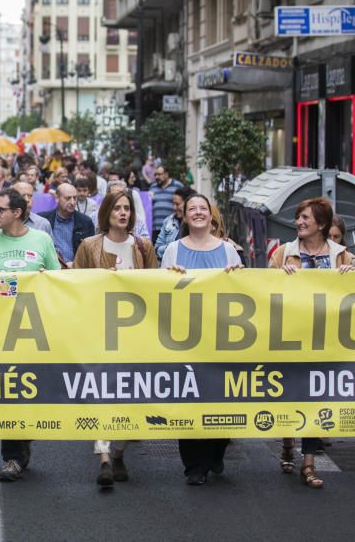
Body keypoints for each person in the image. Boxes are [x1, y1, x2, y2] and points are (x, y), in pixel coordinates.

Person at [0, 188, 61, 482]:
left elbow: (57, 280)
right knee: (9, 393)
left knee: (30, 393)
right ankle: (12, 457)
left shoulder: (42, 240)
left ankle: (23, 440)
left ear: (17, 213)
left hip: (36, 332)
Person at [269, 198, 355, 489]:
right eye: (298, 217)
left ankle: (308, 463)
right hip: (289, 338)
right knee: (290, 394)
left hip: (326, 341)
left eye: (305, 218)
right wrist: (278, 278)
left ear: (321, 223)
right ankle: (286, 443)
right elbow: (259, 289)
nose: (299, 222)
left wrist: (351, 277)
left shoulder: (343, 256)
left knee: (316, 398)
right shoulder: (283, 254)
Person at [72, 190, 157, 487]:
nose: (123, 213)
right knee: (100, 395)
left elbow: (157, 287)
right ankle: (105, 457)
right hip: (99, 332)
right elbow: (75, 285)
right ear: (106, 212)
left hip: (135, 335)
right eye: (117, 208)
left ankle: (120, 452)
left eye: (127, 208)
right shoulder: (89, 246)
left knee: (131, 395)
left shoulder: (143, 246)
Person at [162, 194, 244, 485]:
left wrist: (237, 275)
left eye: (202, 208)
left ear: (212, 216)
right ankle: (194, 465)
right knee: (190, 399)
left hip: (221, 337)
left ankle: (216, 450)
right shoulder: (172, 249)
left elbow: (244, 291)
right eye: (191, 209)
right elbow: (161, 290)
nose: (197, 213)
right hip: (186, 338)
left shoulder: (228, 250)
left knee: (220, 397)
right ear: (184, 217)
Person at [39, 182, 94, 267]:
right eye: (68, 198)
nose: (72, 202)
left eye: (75, 198)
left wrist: (76, 264)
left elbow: (90, 254)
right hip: (51, 271)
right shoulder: (43, 220)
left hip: (77, 271)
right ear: (57, 198)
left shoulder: (85, 222)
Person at [155, 186, 196, 261]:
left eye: (177, 204)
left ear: (188, 204)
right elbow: (157, 249)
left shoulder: (197, 223)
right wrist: (174, 248)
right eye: (173, 204)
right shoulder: (168, 221)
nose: (174, 207)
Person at [149, 165, 183, 242]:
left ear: (166, 174)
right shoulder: (152, 187)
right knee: (156, 251)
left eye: (159, 174)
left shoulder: (178, 186)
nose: (157, 177)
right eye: (155, 174)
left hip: (172, 227)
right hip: (156, 228)